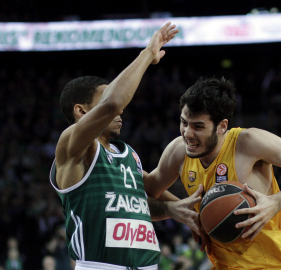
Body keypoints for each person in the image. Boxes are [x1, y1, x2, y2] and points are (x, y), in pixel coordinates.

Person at [145, 77, 281, 269]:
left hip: (278, 267)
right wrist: (173, 210)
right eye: (184, 122)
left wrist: (277, 201)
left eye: (198, 127)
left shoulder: (248, 143)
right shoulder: (178, 152)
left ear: (222, 126)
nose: (187, 133)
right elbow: (139, 195)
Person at [49, 22, 203, 270]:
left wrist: (178, 210)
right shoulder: (72, 145)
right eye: (106, 95)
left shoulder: (127, 153)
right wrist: (147, 54)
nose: (122, 111)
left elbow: (143, 199)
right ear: (81, 111)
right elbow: (114, 104)